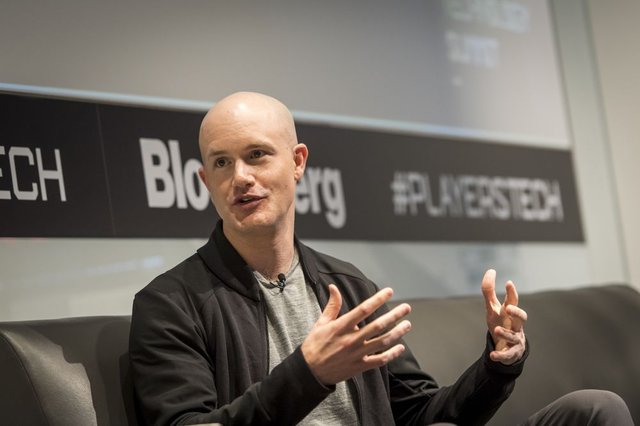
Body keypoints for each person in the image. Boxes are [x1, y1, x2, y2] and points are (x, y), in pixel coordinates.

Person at [129, 92, 633, 425]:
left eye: (257, 155)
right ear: (205, 181)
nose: (240, 177)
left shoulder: (348, 287)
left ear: (297, 162)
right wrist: (309, 373)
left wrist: (499, 363)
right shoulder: (171, 303)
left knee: (593, 410)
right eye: (221, 162)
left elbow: (420, 414)